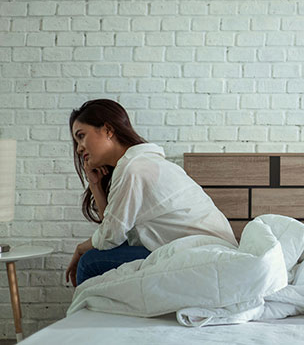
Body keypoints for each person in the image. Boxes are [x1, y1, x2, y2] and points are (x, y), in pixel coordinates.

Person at [65, 99, 237, 287]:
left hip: (203, 254)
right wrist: (96, 186)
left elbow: (109, 237)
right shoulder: (140, 162)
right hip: (203, 248)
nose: (80, 148)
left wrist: (80, 249)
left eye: (81, 136)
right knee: (97, 255)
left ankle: (86, 316)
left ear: (108, 130)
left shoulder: (134, 168)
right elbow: (114, 229)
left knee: (90, 262)